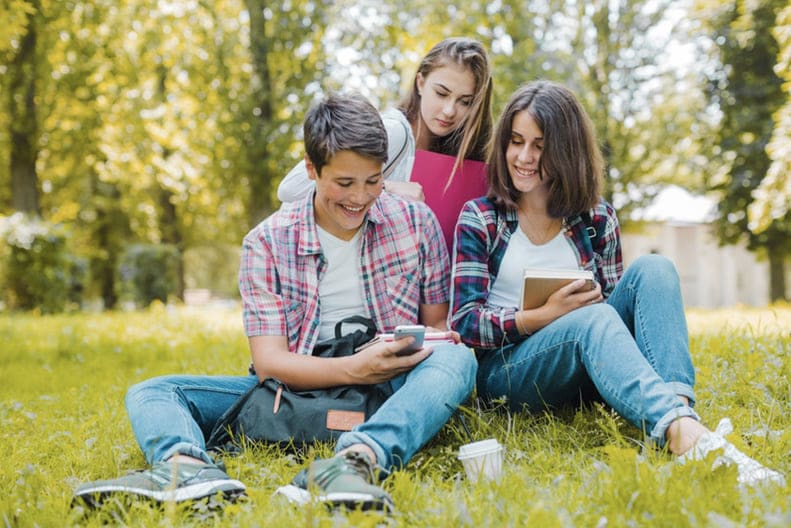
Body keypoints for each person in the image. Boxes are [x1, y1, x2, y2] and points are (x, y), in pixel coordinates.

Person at [73, 93, 477, 512]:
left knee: (458, 360)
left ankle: (356, 462)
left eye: (373, 181)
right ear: (311, 169)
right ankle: (186, 469)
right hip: (294, 385)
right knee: (152, 392)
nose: (360, 197)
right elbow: (270, 363)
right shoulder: (266, 241)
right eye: (344, 183)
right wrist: (353, 367)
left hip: (386, 381)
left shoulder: (415, 221)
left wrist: (400, 352)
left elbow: (436, 330)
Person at [449, 80, 784, 487]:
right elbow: (465, 322)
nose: (523, 157)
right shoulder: (481, 217)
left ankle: (678, 413)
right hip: (509, 371)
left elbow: (613, 313)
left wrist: (585, 312)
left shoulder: (596, 218)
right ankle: (686, 438)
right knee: (591, 320)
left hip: (587, 368)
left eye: (540, 145)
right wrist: (542, 316)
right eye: (516, 142)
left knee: (655, 270)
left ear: (566, 149)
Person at [277, 37, 493, 247]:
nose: (449, 110)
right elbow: (289, 190)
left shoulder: (453, 158)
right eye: (441, 93)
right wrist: (384, 188)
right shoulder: (394, 131)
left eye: (465, 102)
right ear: (420, 83)